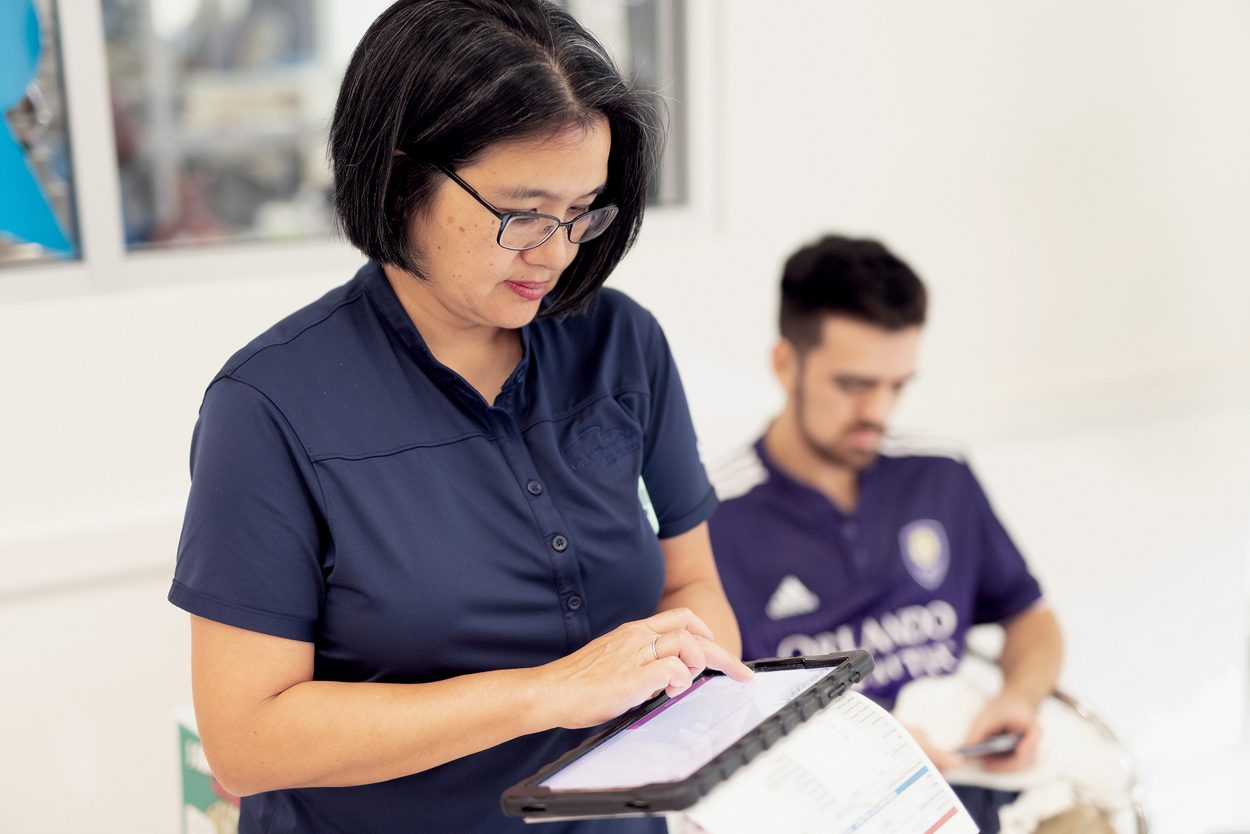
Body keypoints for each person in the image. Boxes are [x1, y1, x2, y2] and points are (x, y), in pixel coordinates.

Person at [168, 2, 751, 831]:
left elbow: (693, 585)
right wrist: (545, 694)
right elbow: (247, 739)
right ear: (404, 175)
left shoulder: (621, 344)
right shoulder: (271, 408)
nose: (556, 253)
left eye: (583, 211)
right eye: (523, 213)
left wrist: (688, 674)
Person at [707, 234, 1064, 833]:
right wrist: (869, 757)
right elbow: (704, 723)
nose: (879, 410)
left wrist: (1019, 698)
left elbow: (1030, 615)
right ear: (785, 364)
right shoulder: (712, 518)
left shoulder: (939, 475)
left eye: (897, 385)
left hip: (976, 798)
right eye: (853, 385)